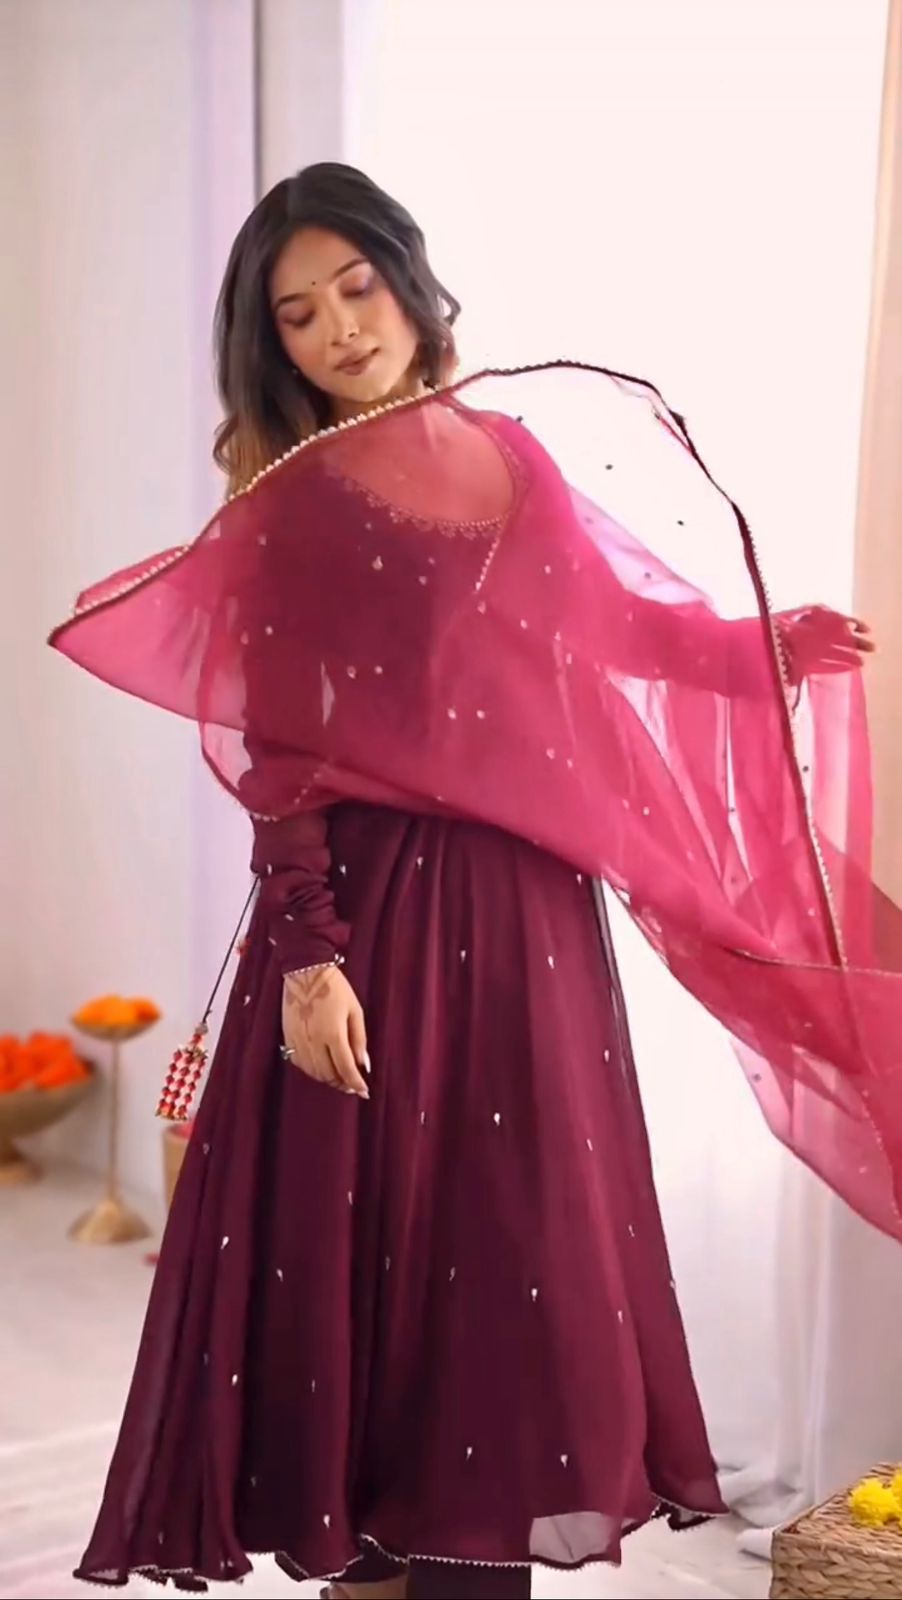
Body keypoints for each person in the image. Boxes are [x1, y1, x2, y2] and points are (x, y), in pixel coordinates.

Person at [51, 163, 882, 1600]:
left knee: (510, 1255)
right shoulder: (298, 502)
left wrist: (758, 646)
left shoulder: (511, 451)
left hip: (532, 915)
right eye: (297, 314)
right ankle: (372, 1566)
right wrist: (309, 958)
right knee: (372, 1260)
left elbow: (608, 622)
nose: (338, 328)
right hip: (376, 916)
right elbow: (284, 743)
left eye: (355, 287)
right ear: (271, 345)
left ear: (408, 279)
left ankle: (469, 1566)